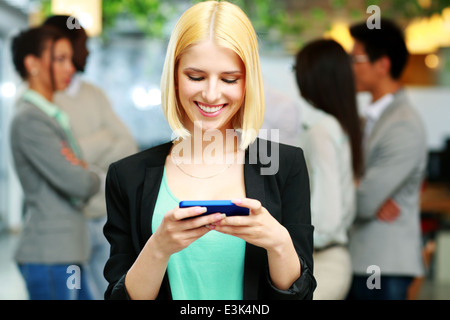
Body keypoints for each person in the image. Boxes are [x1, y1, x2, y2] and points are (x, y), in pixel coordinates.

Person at [103, 0, 316, 300]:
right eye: (196, 77)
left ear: (247, 83)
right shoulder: (127, 176)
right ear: (174, 77)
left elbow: (301, 296)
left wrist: (279, 243)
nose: (212, 94)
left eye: (229, 79)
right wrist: (159, 247)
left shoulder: (284, 166)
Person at [43, 15, 139, 300]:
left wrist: (80, 150)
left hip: (104, 220)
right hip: (65, 227)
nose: (89, 51)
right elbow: (58, 160)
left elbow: (127, 146)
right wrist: (103, 139)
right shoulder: (41, 100)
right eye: (83, 43)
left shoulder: (94, 94)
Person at [9, 26, 100, 300]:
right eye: (59, 59)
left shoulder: (50, 116)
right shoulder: (31, 119)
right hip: (50, 254)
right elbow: (79, 182)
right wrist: (91, 174)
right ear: (32, 63)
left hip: (65, 253)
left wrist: (82, 168)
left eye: (70, 59)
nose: (70, 67)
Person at [346, 18, 428, 300]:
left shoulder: (403, 123)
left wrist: (358, 189)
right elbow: (366, 193)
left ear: (382, 64)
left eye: (355, 59)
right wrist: (361, 186)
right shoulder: (370, 117)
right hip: (363, 258)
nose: (350, 67)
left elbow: (366, 202)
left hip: (383, 265)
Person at [293, 39, 363, 300]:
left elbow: (327, 216)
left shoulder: (321, 130)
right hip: (333, 256)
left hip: (321, 261)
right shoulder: (338, 125)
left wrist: (284, 241)